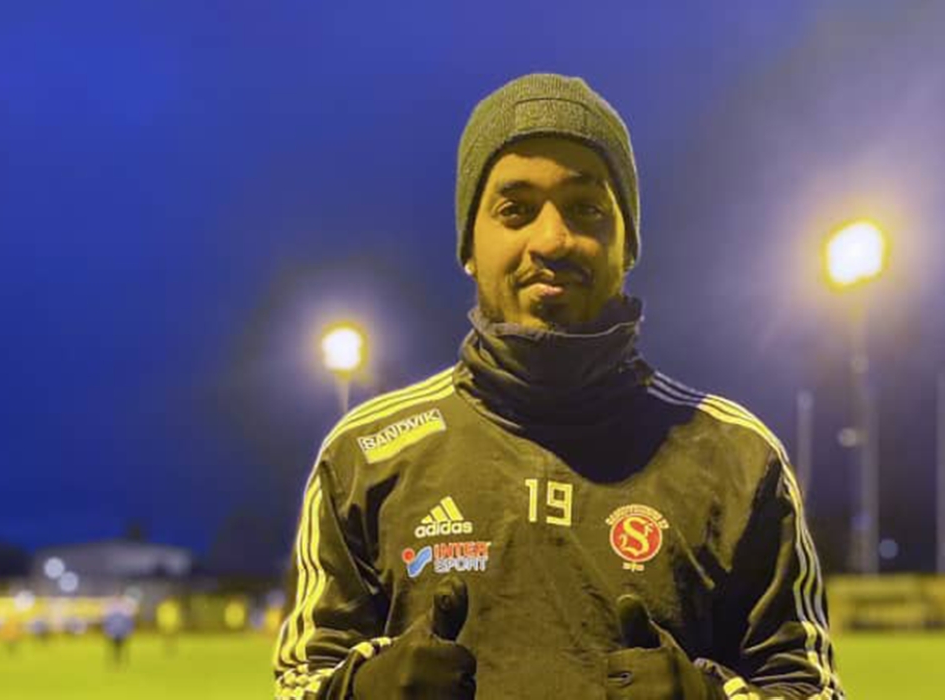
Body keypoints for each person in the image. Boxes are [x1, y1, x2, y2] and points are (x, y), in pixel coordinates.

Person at [273, 73, 844, 700]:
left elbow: (806, 686)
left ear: (627, 244)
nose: (551, 239)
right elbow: (301, 682)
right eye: (515, 210)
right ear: (469, 244)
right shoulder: (366, 455)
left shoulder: (736, 458)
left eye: (586, 208)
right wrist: (355, 694)